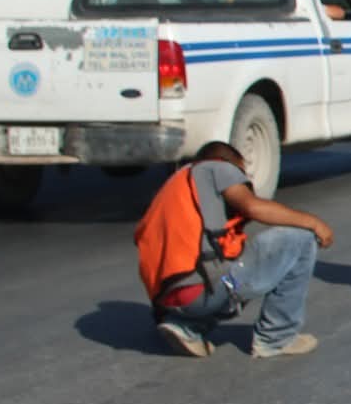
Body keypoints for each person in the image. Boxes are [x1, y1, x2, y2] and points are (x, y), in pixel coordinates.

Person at [133, 141, 335, 359]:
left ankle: (186, 326)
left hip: (170, 301)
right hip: (212, 290)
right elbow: (252, 207)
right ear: (234, 164)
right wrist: (313, 222)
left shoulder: (176, 184)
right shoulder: (219, 168)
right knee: (300, 239)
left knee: (238, 265)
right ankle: (277, 337)